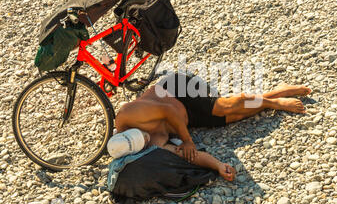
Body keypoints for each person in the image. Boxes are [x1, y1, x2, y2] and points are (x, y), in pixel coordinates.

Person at [115, 72, 312, 179]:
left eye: (144, 135)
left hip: (177, 90)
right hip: (187, 118)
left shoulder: (127, 114)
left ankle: (272, 102)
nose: (148, 137)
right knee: (232, 118)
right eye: (145, 142)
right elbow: (188, 155)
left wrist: (187, 140)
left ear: (132, 131)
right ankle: (277, 92)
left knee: (224, 107)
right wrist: (218, 165)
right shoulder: (146, 148)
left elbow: (169, 112)